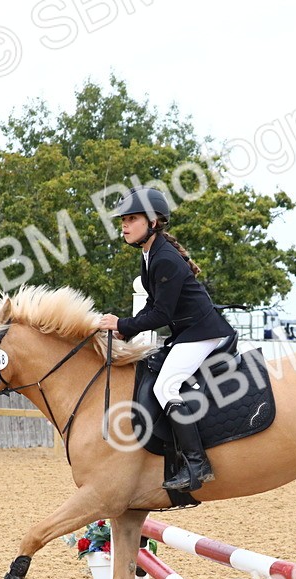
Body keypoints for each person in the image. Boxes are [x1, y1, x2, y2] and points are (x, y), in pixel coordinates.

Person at [98, 187, 236, 493]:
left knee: (165, 386)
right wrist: (126, 330)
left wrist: (121, 322)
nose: (124, 225)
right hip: (188, 332)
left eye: (131, 219)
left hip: (203, 333)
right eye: (123, 219)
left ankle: (197, 464)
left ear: (153, 222)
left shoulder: (164, 259)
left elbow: (161, 313)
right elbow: (153, 305)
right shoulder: (151, 255)